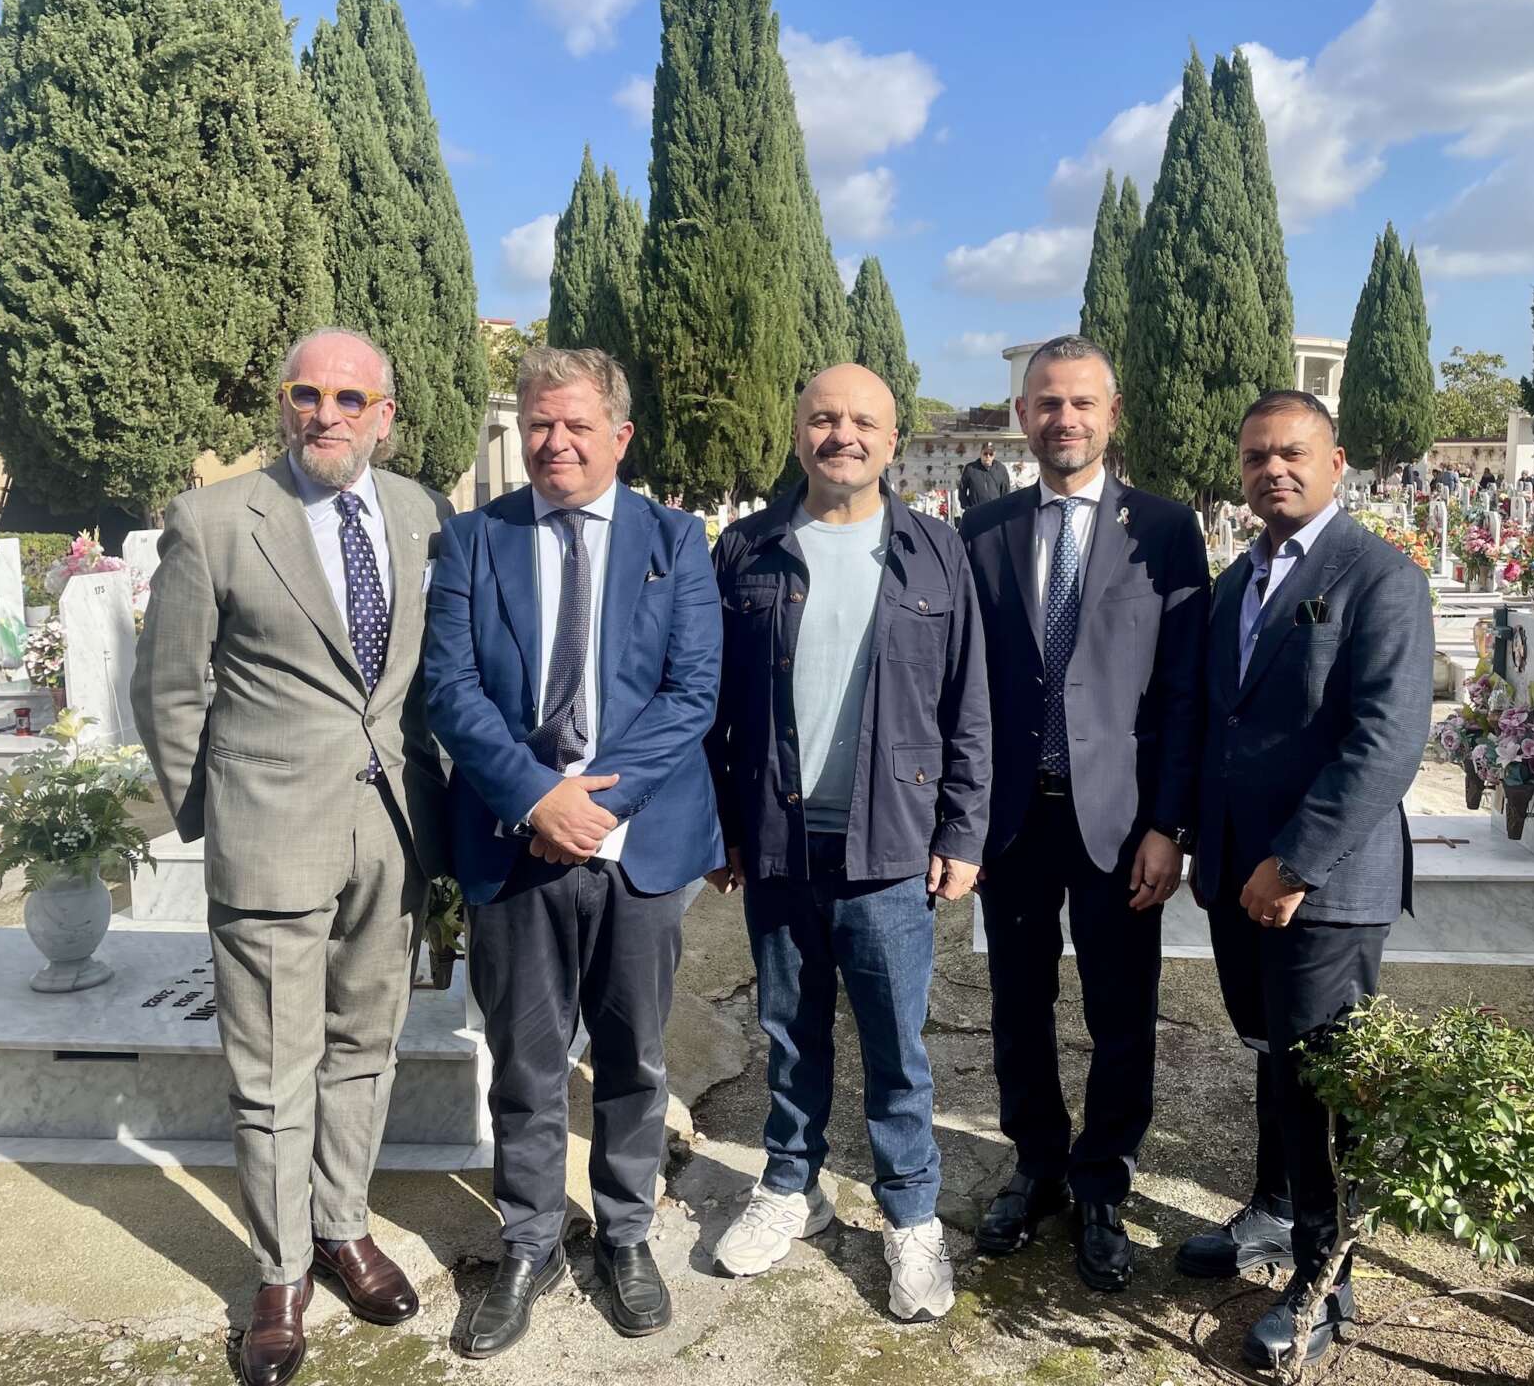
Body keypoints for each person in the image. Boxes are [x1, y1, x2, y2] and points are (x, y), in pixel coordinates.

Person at [133, 328, 453, 1386]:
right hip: (270, 836)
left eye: (351, 399)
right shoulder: (218, 520)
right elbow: (171, 691)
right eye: (307, 394)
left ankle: (343, 1226)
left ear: (385, 416)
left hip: (393, 835)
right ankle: (278, 1275)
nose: (328, 415)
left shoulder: (416, 514)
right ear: (283, 404)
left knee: (367, 1047)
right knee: (272, 1076)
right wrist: (216, 823)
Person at [425, 346, 723, 1358]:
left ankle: (625, 1234)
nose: (554, 442)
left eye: (576, 425)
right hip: (516, 848)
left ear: (619, 436)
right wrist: (534, 799)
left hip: (637, 848)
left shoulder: (675, 541)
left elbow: (691, 691)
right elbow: (450, 689)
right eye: (538, 423)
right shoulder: (474, 539)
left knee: (634, 1058)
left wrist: (597, 807)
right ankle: (528, 1241)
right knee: (526, 1057)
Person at [705, 365, 990, 1322]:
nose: (842, 436)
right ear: (796, 432)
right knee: (789, 1032)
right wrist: (724, 826)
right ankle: (792, 1188)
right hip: (780, 839)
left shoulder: (933, 552)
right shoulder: (747, 549)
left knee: (895, 1045)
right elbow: (711, 709)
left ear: (891, 436)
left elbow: (968, 705)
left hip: (889, 848)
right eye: (823, 419)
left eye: (861, 421)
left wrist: (961, 828)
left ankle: (910, 1216)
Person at [1177, 390, 1433, 1370]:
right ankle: (1276, 1213)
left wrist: (1295, 863)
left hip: (1323, 884)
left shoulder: (1378, 577)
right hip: (1239, 870)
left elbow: (1385, 742)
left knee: (1322, 1081)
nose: (1270, 471)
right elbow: (1220, 721)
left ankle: (1328, 1283)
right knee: (1272, 1055)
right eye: (1253, 458)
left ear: (1335, 466)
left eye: (1291, 454)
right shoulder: (1236, 579)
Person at [958, 335, 1208, 1290]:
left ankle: (1103, 1176)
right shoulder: (981, 531)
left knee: (1120, 1010)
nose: (1063, 419)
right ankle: (1036, 1163)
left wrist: (1169, 826)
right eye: (1045, 403)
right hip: (1014, 818)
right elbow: (963, 688)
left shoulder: (1166, 530)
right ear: (1022, 416)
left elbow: (1182, 690)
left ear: (1111, 414)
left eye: (1081, 403)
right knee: (1018, 1003)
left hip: (1120, 822)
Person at [958, 442, 1012, 514]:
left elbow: (1006, 492)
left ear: (994, 455)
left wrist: (1003, 509)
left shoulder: (1001, 469)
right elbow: (962, 490)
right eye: (985, 453)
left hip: (995, 513)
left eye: (991, 454)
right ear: (981, 453)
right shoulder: (970, 468)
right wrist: (968, 508)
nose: (988, 456)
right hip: (976, 513)